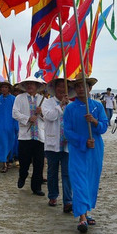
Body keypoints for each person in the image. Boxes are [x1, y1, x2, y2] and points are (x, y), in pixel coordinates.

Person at [63, 73, 108, 233]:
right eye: (78, 86)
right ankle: (82, 218)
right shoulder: (70, 108)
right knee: (79, 181)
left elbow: (104, 126)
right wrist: (83, 141)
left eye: (84, 86)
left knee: (90, 181)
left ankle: (86, 211)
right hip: (77, 150)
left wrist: (95, 122)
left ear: (90, 88)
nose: (81, 89)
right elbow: (67, 131)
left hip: (94, 150)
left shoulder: (97, 106)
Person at [42, 77, 74, 211]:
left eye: (64, 87)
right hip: (52, 143)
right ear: (54, 88)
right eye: (59, 86)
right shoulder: (48, 102)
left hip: (67, 144)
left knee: (67, 173)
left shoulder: (71, 105)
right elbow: (50, 116)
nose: (61, 89)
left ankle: (68, 200)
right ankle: (53, 196)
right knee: (52, 172)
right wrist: (60, 105)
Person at [12, 76, 47, 197]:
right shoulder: (19, 98)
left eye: (32, 84)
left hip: (39, 136)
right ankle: (22, 175)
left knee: (39, 163)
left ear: (37, 87)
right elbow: (15, 113)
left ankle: (36, 187)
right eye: (28, 84)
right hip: (25, 136)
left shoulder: (43, 100)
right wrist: (27, 119)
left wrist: (41, 112)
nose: (30, 86)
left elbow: (49, 117)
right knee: (24, 161)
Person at [0, 81, 18, 172]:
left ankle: (9, 160)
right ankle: (4, 163)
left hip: (11, 124)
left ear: (9, 89)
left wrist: (16, 125)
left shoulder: (13, 99)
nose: (4, 89)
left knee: (11, 143)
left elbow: (16, 113)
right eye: (2, 87)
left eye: (6, 87)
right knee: (2, 144)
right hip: (0, 125)